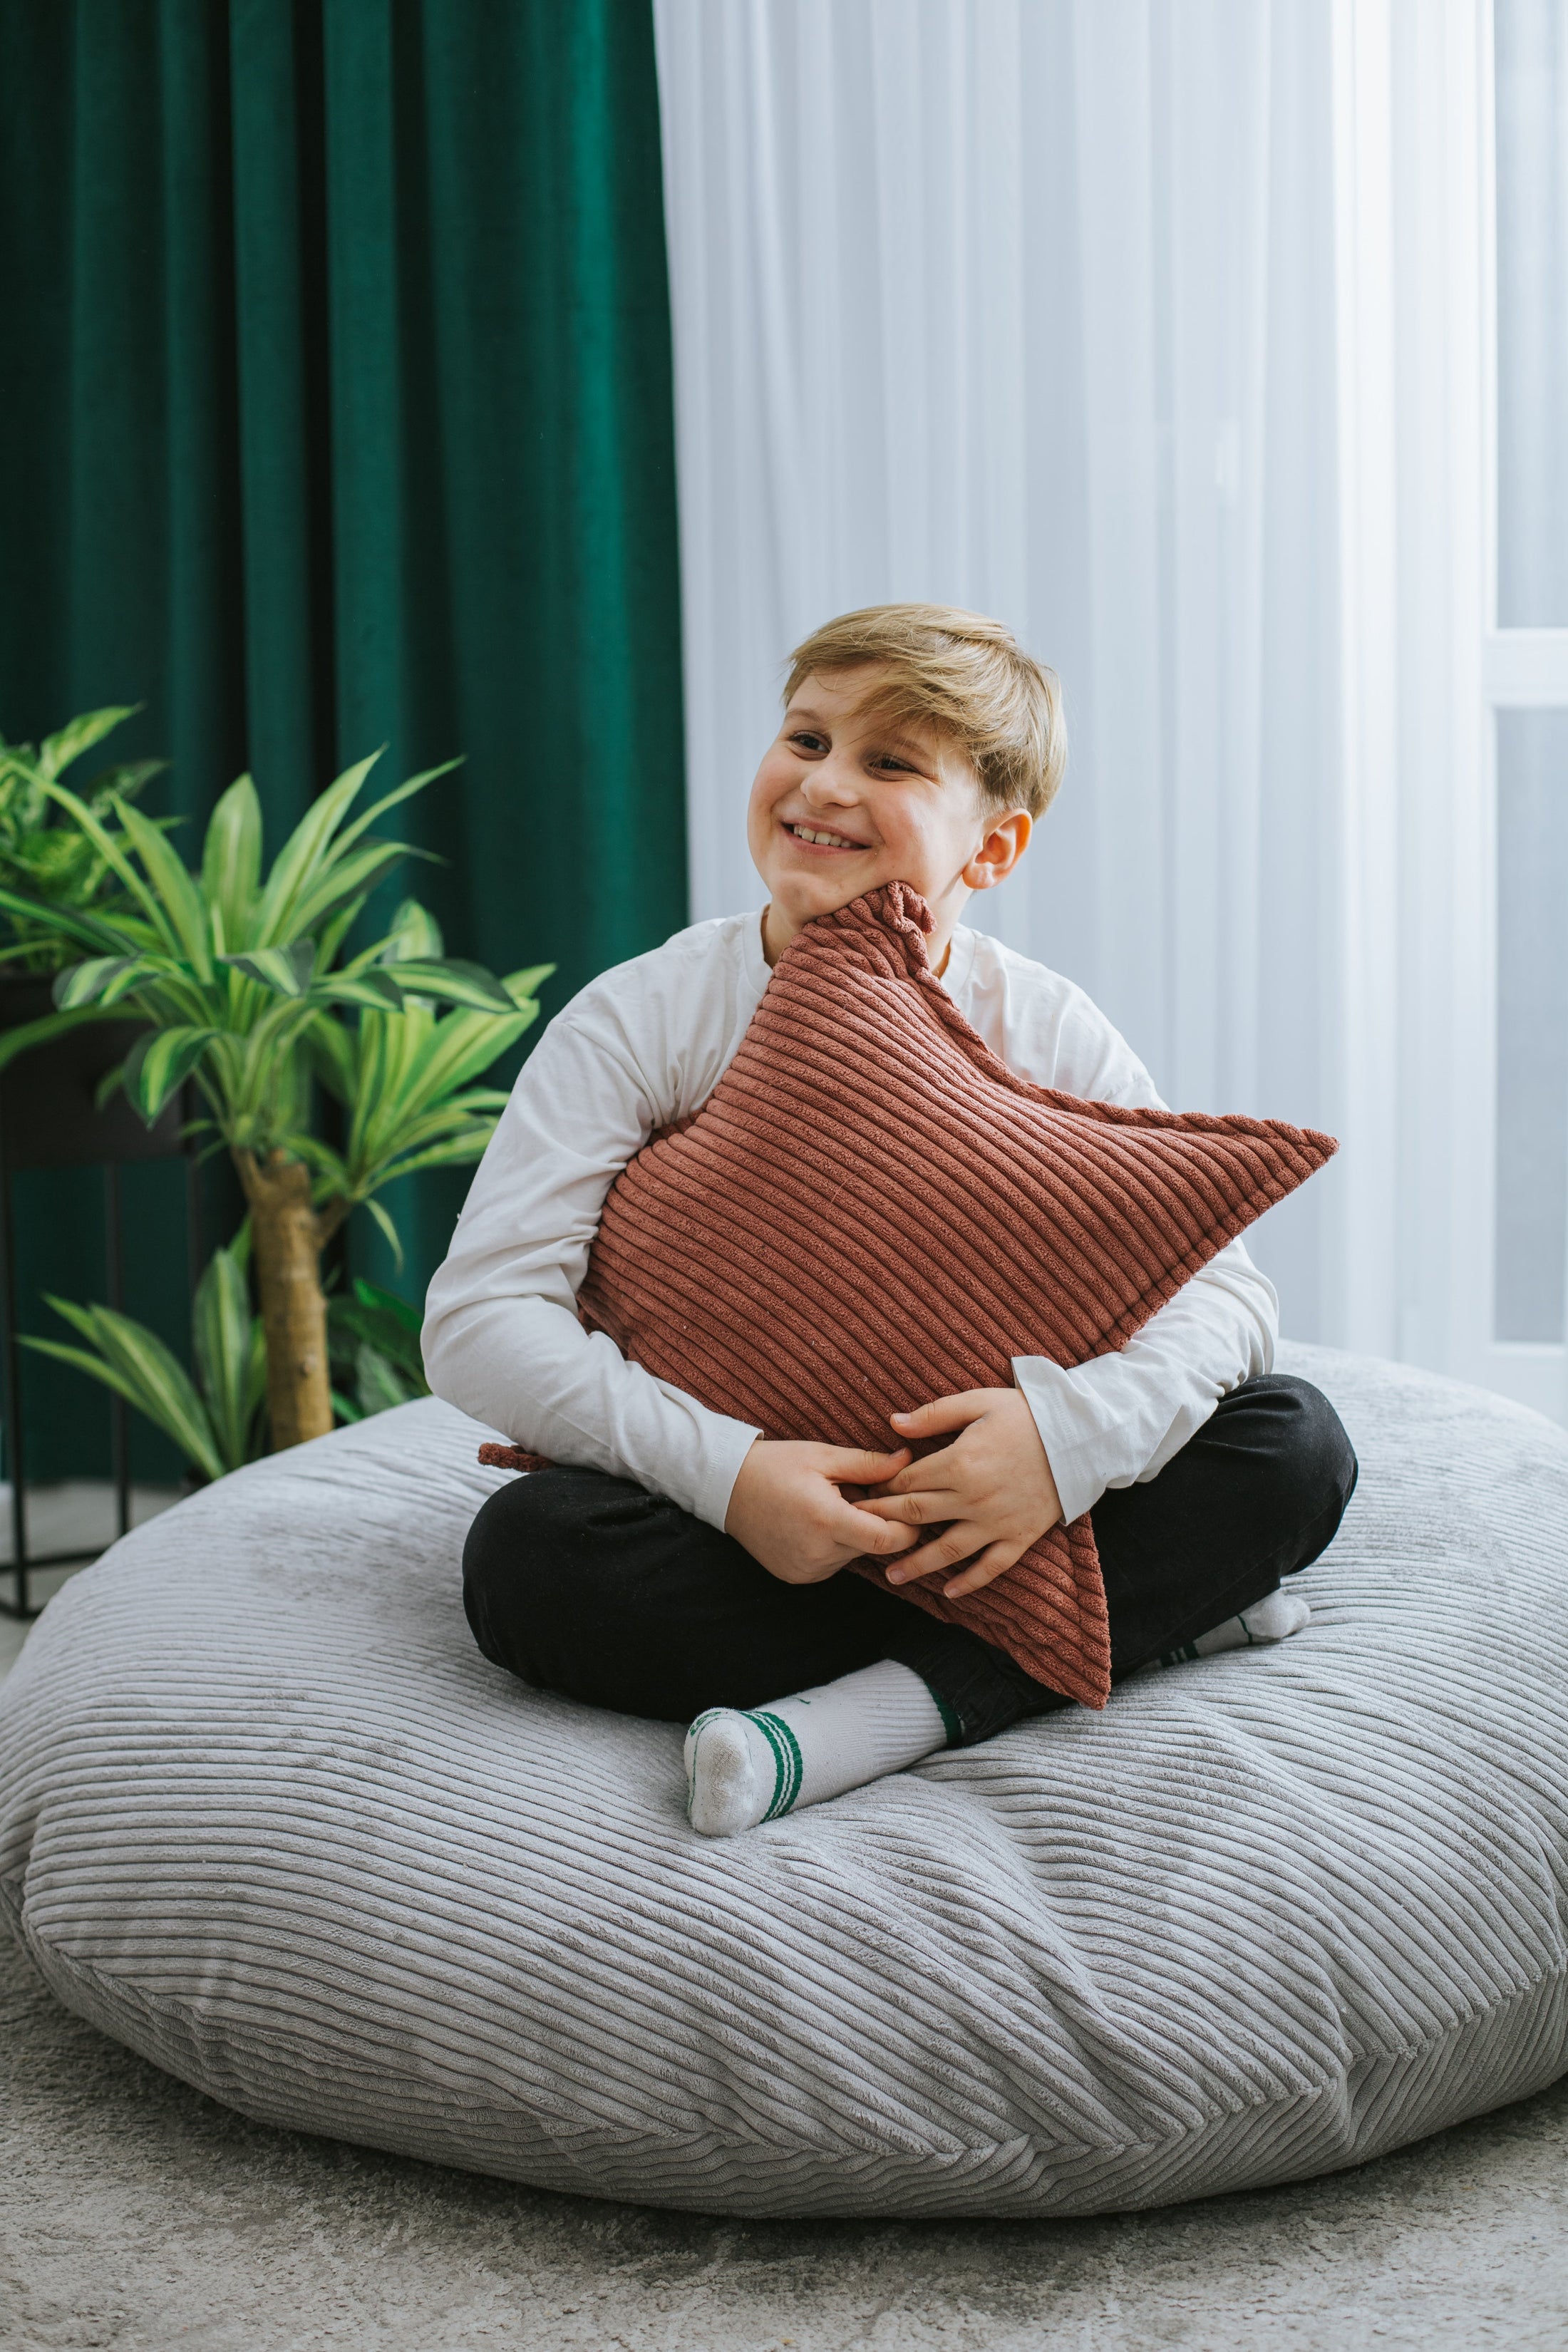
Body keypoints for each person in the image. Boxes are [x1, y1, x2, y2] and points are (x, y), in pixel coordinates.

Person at [423, 604, 1358, 1837]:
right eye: (806, 739)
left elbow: (1225, 1295)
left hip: (992, 1505)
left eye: (891, 762)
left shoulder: (1041, 1020)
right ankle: (1140, 1617)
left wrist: (1060, 1445)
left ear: (996, 846)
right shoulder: (641, 1017)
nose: (825, 785)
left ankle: (888, 1712)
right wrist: (735, 1476)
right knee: (530, 1563)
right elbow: (481, 1317)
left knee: (1292, 1444)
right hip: (762, 1520)